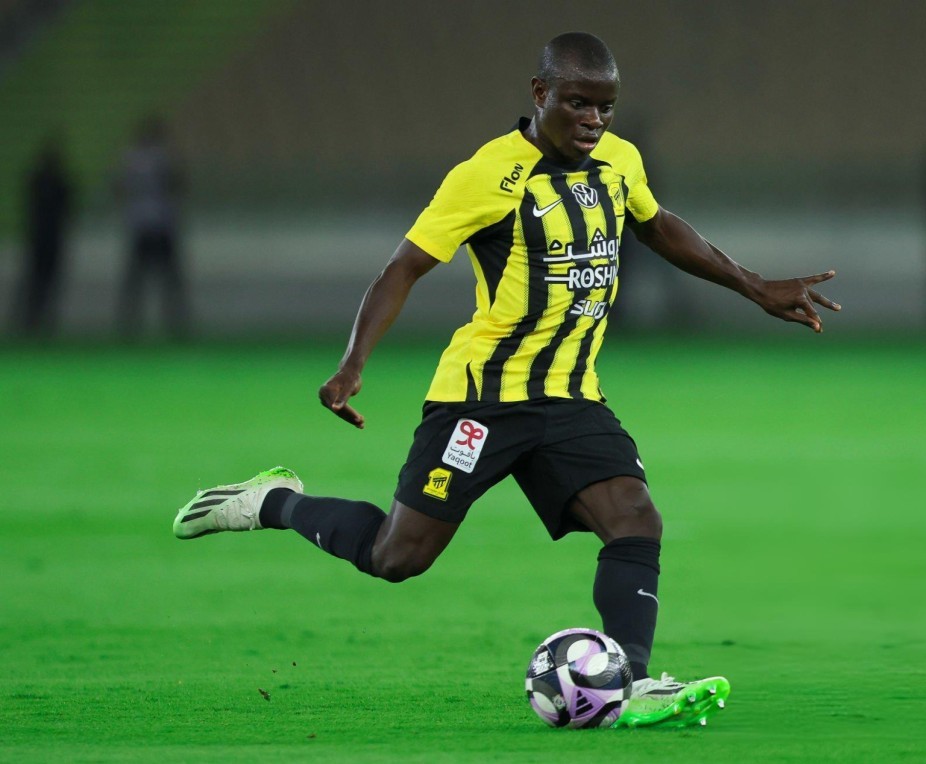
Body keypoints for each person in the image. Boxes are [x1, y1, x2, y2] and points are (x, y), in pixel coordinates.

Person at [172, 32, 839, 728]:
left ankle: (634, 684)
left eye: (605, 107)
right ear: (539, 93)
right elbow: (403, 267)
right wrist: (353, 362)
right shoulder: (487, 175)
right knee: (397, 557)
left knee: (635, 518)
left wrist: (753, 285)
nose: (594, 120)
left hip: (571, 395)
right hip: (482, 401)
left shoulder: (619, 162)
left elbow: (658, 225)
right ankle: (273, 502)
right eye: (578, 103)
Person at [115, 116, 189, 340]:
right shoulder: (163, 157)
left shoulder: (131, 157)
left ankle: (129, 326)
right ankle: (176, 325)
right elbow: (178, 183)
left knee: (137, 280)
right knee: (169, 279)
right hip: (161, 223)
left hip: (140, 224)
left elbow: (119, 187)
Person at [13, 136, 73, 338]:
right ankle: (33, 320)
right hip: (47, 237)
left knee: (39, 282)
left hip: (43, 237)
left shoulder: (39, 181)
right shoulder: (56, 182)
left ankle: (34, 320)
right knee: (40, 282)